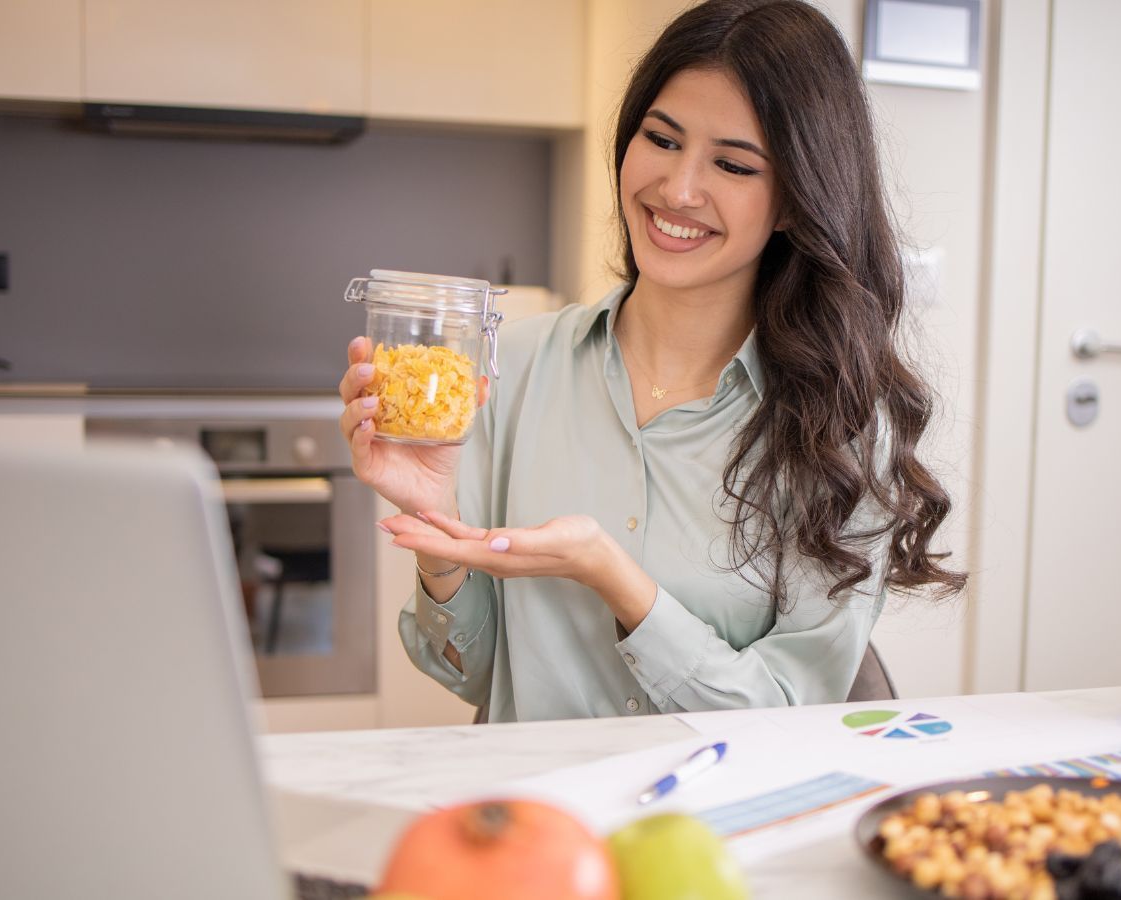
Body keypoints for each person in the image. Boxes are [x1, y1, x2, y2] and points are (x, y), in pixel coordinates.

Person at [338, 0, 965, 722]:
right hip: (551, 823)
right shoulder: (511, 369)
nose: (677, 190)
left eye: (731, 163)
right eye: (661, 140)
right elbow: (478, 677)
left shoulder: (847, 424)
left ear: (795, 200)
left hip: (727, 823)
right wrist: (437, 526)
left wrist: (618, 582)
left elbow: (794, 717)